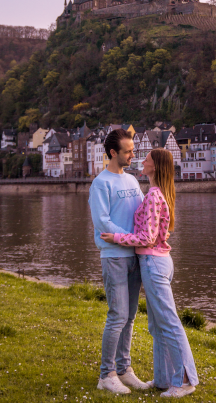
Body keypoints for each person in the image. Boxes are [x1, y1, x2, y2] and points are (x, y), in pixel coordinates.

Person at [101, 148, 199, 398]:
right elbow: (155, 232)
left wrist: (116, 237)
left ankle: (185, 381)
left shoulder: (155, 196)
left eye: (146, 159)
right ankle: (165, 379)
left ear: (155, 166)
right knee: (158, 325)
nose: (141, 160)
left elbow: (147, 237)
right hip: (155, 262)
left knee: (168, 323)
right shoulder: (157, 193)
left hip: (154, 264)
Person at [89, 128, 149, 395]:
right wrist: (134, 238)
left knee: (131, 317)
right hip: (114, 256)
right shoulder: (101, 183)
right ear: (113, 153)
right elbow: (103, 223)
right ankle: (106, 375)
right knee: (117, 315)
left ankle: (124, 370)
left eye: (133, 149)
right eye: (128, 151)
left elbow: (143, 212)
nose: (132, 154)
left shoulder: (133, 181)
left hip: (135, 256)